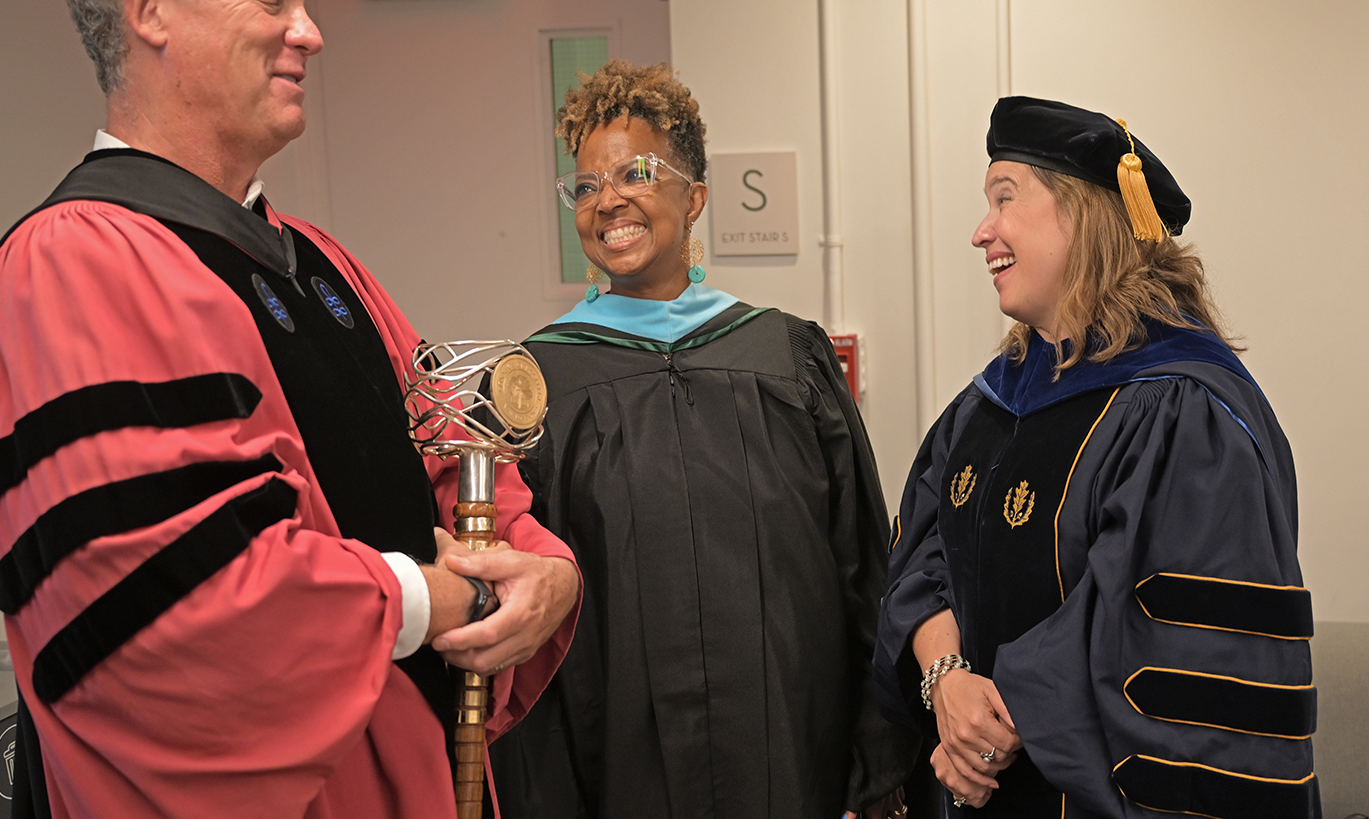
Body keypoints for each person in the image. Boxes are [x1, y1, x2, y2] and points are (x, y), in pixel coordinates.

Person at [0, 0, 580, 817]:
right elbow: (172, 597)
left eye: (306, 0)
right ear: (150, 8)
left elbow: (457, 462)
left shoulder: (319, 263)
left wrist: (539, 567)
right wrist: (429, 599)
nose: (311, 31)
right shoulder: (78, 259)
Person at [488, 61, 915, 819]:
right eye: (584, 186)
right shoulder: (542, 380)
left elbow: (862, 565)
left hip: (792, 752)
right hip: (618, 766)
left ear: (696, 196)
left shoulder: (785, 357)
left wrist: (878, 762)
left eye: (636, 173)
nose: (607, 199)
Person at [874, 96, 1318, 817]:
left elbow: (1177, 652)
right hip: (977, 787)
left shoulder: (1184, 413)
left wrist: (988, 721)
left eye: (1004, 198)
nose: (980, 231)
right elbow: (922, 557)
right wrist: (946, 677)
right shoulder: (986, 407)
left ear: (1082, 213)